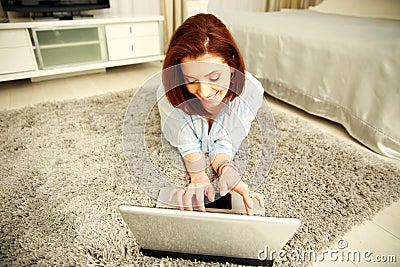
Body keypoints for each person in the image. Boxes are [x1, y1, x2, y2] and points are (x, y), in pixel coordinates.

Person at [157, 13, 265, 215]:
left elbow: (225, 140)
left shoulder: (251, 93)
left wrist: (226, 169)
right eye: (191, 80)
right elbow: (188, 143)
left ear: (232, 66)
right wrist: (198, 176)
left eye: (214, 77)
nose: (205, 92)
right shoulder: (169, 94)